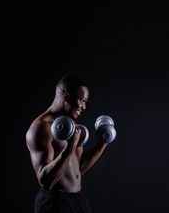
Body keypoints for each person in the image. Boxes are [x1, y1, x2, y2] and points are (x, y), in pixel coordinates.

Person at [26, 74, 110, 213]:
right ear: (65, 97)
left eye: (86, 101)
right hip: (55, 203)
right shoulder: (40, 128)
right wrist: (70, 146)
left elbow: (79, 168)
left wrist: (103, 142)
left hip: (78, 200)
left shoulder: (70, 125)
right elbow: (45, 180)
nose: (84, 106)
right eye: (82, 100)